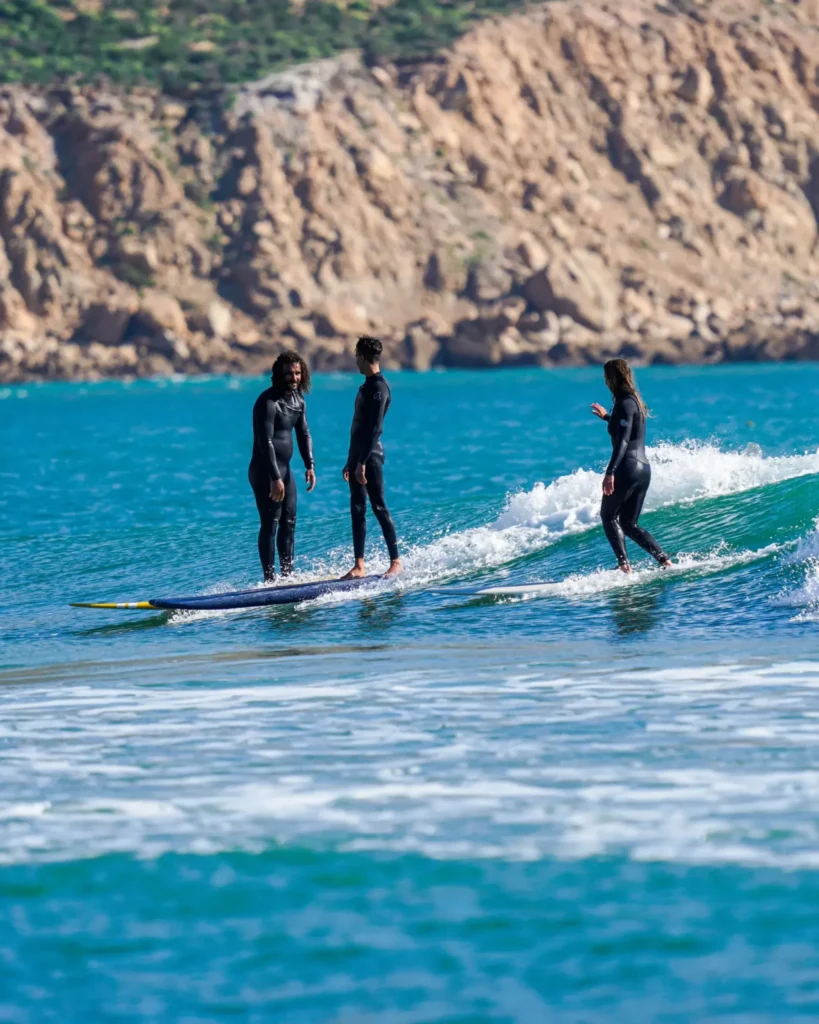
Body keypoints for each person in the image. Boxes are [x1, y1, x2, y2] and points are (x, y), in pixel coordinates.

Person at [591, 358, 670, 574]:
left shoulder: (625, 403)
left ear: (612, 378)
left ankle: (624, 566)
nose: (605, 381)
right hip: (642, 469)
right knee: (628, 523)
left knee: (608, 516)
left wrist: (610, 472)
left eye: (606, 376)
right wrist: (608, 417)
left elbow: (624, 441)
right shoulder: (633, 402)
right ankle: (665, 561)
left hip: (627, 467)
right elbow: (629, 430)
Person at [249, 351, 316, 581]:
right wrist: (275, 478)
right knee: (270, 523)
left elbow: (304, 433)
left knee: (289, 522)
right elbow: (264, 441)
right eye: (289, 373)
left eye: (298, 373)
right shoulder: (267, 402)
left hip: (285, 471)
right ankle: (269, 579)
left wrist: (310, 464)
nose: (294, 378)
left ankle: (287, 578)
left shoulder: (299, 401)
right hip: (265, 471)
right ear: (278, 374)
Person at [341, 336, 402, 579]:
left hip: (371, 456)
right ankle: (359, 566)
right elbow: (356, 428)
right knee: (357, 508)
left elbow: (375, 429)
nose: (355, 361)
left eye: (357, 356)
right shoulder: (366, 386)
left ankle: (396, 562)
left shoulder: (379, 388)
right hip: (358, 456)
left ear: (364, 357)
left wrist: (363, 461)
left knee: (378, 505)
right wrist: (351, 459)